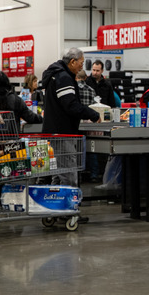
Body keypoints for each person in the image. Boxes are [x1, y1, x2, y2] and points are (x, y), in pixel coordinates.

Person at [0, 71, 43, 205]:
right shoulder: (15, 99)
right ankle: (2, 200)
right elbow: (30, 117)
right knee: (5, 170)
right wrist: (43, 118)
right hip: (9, 143)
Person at [41, 48, 100, 190]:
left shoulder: (56, 75)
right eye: (81, 62)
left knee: (58, 174)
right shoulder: (64, 78)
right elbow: (71, 105)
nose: (82, 66)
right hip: (63, 131)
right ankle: (69, 208)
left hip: (55, 131)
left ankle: (55, 208)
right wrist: (93, 114)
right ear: (72, 62)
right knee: (68, 174)